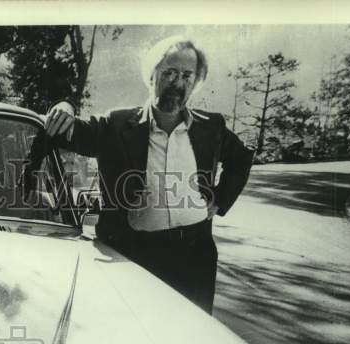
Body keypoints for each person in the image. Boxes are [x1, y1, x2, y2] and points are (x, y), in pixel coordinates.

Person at [45, 35, 253, 314]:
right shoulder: (118, 124)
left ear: (195, 82)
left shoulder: (210, 128)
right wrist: (65, 105)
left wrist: (219, 199)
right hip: (134, 256)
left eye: (186, 76)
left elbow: (241, 158)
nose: (177, 83)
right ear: (152, 74)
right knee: (136, 336)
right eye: (168, 72)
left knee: (192, 336)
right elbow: (71, 134)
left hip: (195, 258)